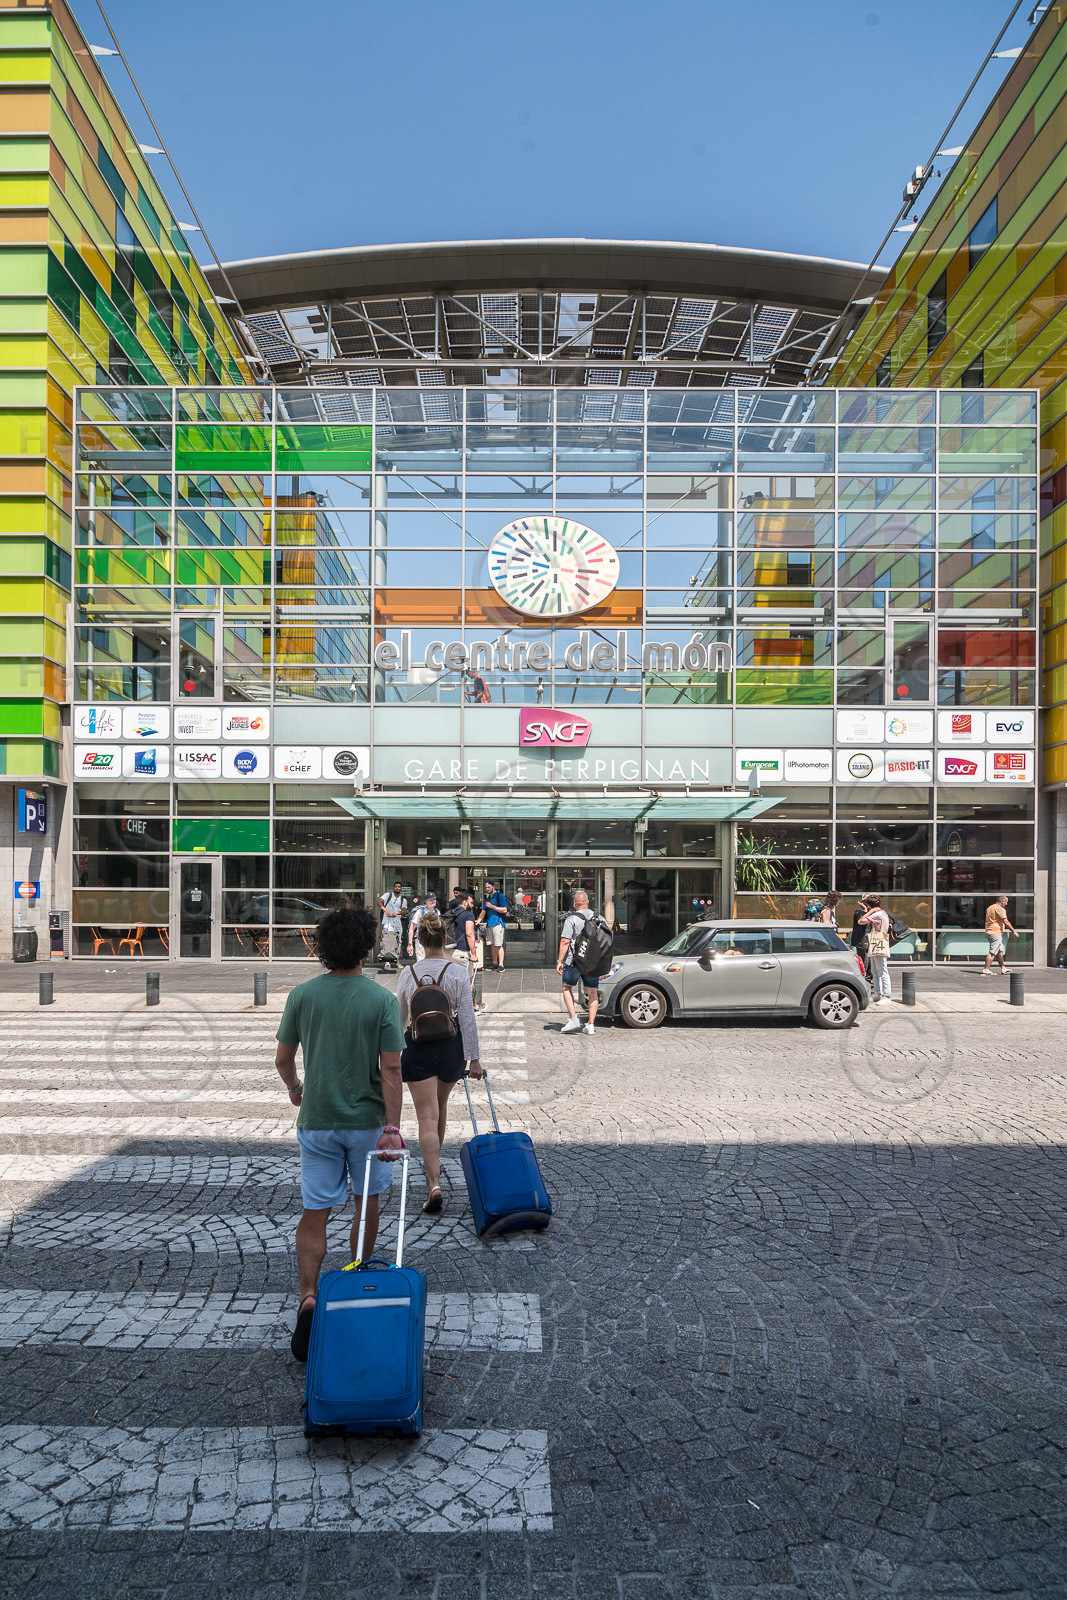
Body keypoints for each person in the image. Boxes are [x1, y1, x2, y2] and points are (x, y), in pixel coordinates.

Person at [274, 903, 406, 1362]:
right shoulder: (381, 1001)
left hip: (318, 1120)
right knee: (365, 1205)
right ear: (366, 948)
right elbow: (392, 1069)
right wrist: (393, 1127)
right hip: (367, 1126)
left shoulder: (303, 995)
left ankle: (308, 1295)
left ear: (324, 948)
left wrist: (296, 1088)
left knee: (315, 1211)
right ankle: (352, 1282)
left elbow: (283, 1059)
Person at [396, 911, 483, 1214]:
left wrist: (392, 1056)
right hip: (450, 1048)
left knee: (426, 1116)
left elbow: (400, 1019)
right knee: (440, 1107)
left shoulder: (408, 974)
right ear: (445, 939)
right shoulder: (458, 972)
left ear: (420, 941)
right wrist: (474, 1059)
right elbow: (467, 1019)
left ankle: (433, 1182)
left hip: (418, 1048)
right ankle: (435, 1160)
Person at [557, 888, 598, 1036]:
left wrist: (559, 961)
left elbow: (565, 941)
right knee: (592, 991)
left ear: (575, 903)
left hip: (574, 961)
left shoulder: (572, 919)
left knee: (566, 987)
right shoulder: (599, 918)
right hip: (593, 961)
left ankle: (573, 1019)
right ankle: (590, 1024)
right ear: (588, 902)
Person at [859, 895, 892, 1003]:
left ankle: (887, 995)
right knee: (875, 970)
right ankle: (878, 993)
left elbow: (860, 921)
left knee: (882, 970)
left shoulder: (877, 914)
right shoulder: (883, 913)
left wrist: (870, 911)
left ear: (869, 905)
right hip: (876, 943)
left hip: (878, 943)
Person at [377, 880, 407, 971]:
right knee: (387, 941)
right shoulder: (388, 895)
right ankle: (387, 962)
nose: (397, 888)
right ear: (393, 888)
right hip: (387, 922)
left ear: (401, 889)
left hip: (397, 923)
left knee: (398, 941)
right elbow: (379, 902)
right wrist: (385, 910)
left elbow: (404, 911)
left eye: (399, 887)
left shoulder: (403, 899)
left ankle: (396, 960)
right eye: (396, 886)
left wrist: (397, 913)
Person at [983, 894, 1016, 975]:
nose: (1006, 904)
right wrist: (1014, 931)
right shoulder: (1000, 909)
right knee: (992, 952)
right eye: (1006, 902)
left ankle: (1003, 968)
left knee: (999, 952)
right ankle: (986, 969)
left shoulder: (990, 908)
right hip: (995, 933)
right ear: (1003, 901)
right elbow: (1006, 922)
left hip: (989, 932)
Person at [483, 880, 509, 971]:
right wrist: (478, 919)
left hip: (498, 923)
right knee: (492, 944)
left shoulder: (500, 896)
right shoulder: (488, 898)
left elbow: (504, 909)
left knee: (498, 944)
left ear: (493, 887)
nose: (487, 889)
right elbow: (484, 911)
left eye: (488, 887)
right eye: (486, 887)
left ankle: (501, 965)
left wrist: (492, 906)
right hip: (489, 923)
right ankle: (494, 964)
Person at [406, 891, 437, 960]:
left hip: (434, 943)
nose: (433, 901)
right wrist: (410, 944)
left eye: (434, 899)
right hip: (421, 942)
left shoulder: (437, 912)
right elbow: (412, 928)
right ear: (426, 901)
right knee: (421, 962)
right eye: (430, 900)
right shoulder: (420, 912)